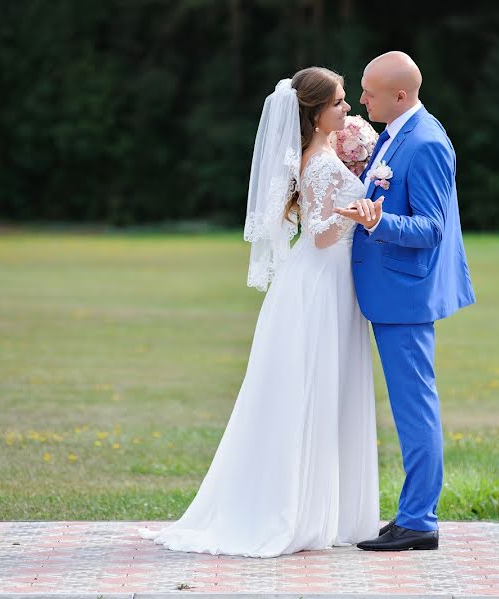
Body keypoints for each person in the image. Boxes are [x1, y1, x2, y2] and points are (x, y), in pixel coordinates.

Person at [138, 67, 380, 557]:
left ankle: (324, 508)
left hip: (329, 281)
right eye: (338, 103)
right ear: (314, 114)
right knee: (310, 387)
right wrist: (362, 213)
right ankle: (297, 511)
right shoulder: (316, 161)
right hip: (318, 284)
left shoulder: (329, 153)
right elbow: (320, 233)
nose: (348, 110)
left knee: (326, 387)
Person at [334, 51, 476, 551]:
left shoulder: (428, 142)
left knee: (415, 409)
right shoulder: (397, 133)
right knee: (410, 406)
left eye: (369, 90)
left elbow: (431, 228)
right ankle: (411, 515)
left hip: (405, 295)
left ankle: (419, 520)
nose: (362, 98)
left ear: (401, 95)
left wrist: (376, 220)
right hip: (388, 291)